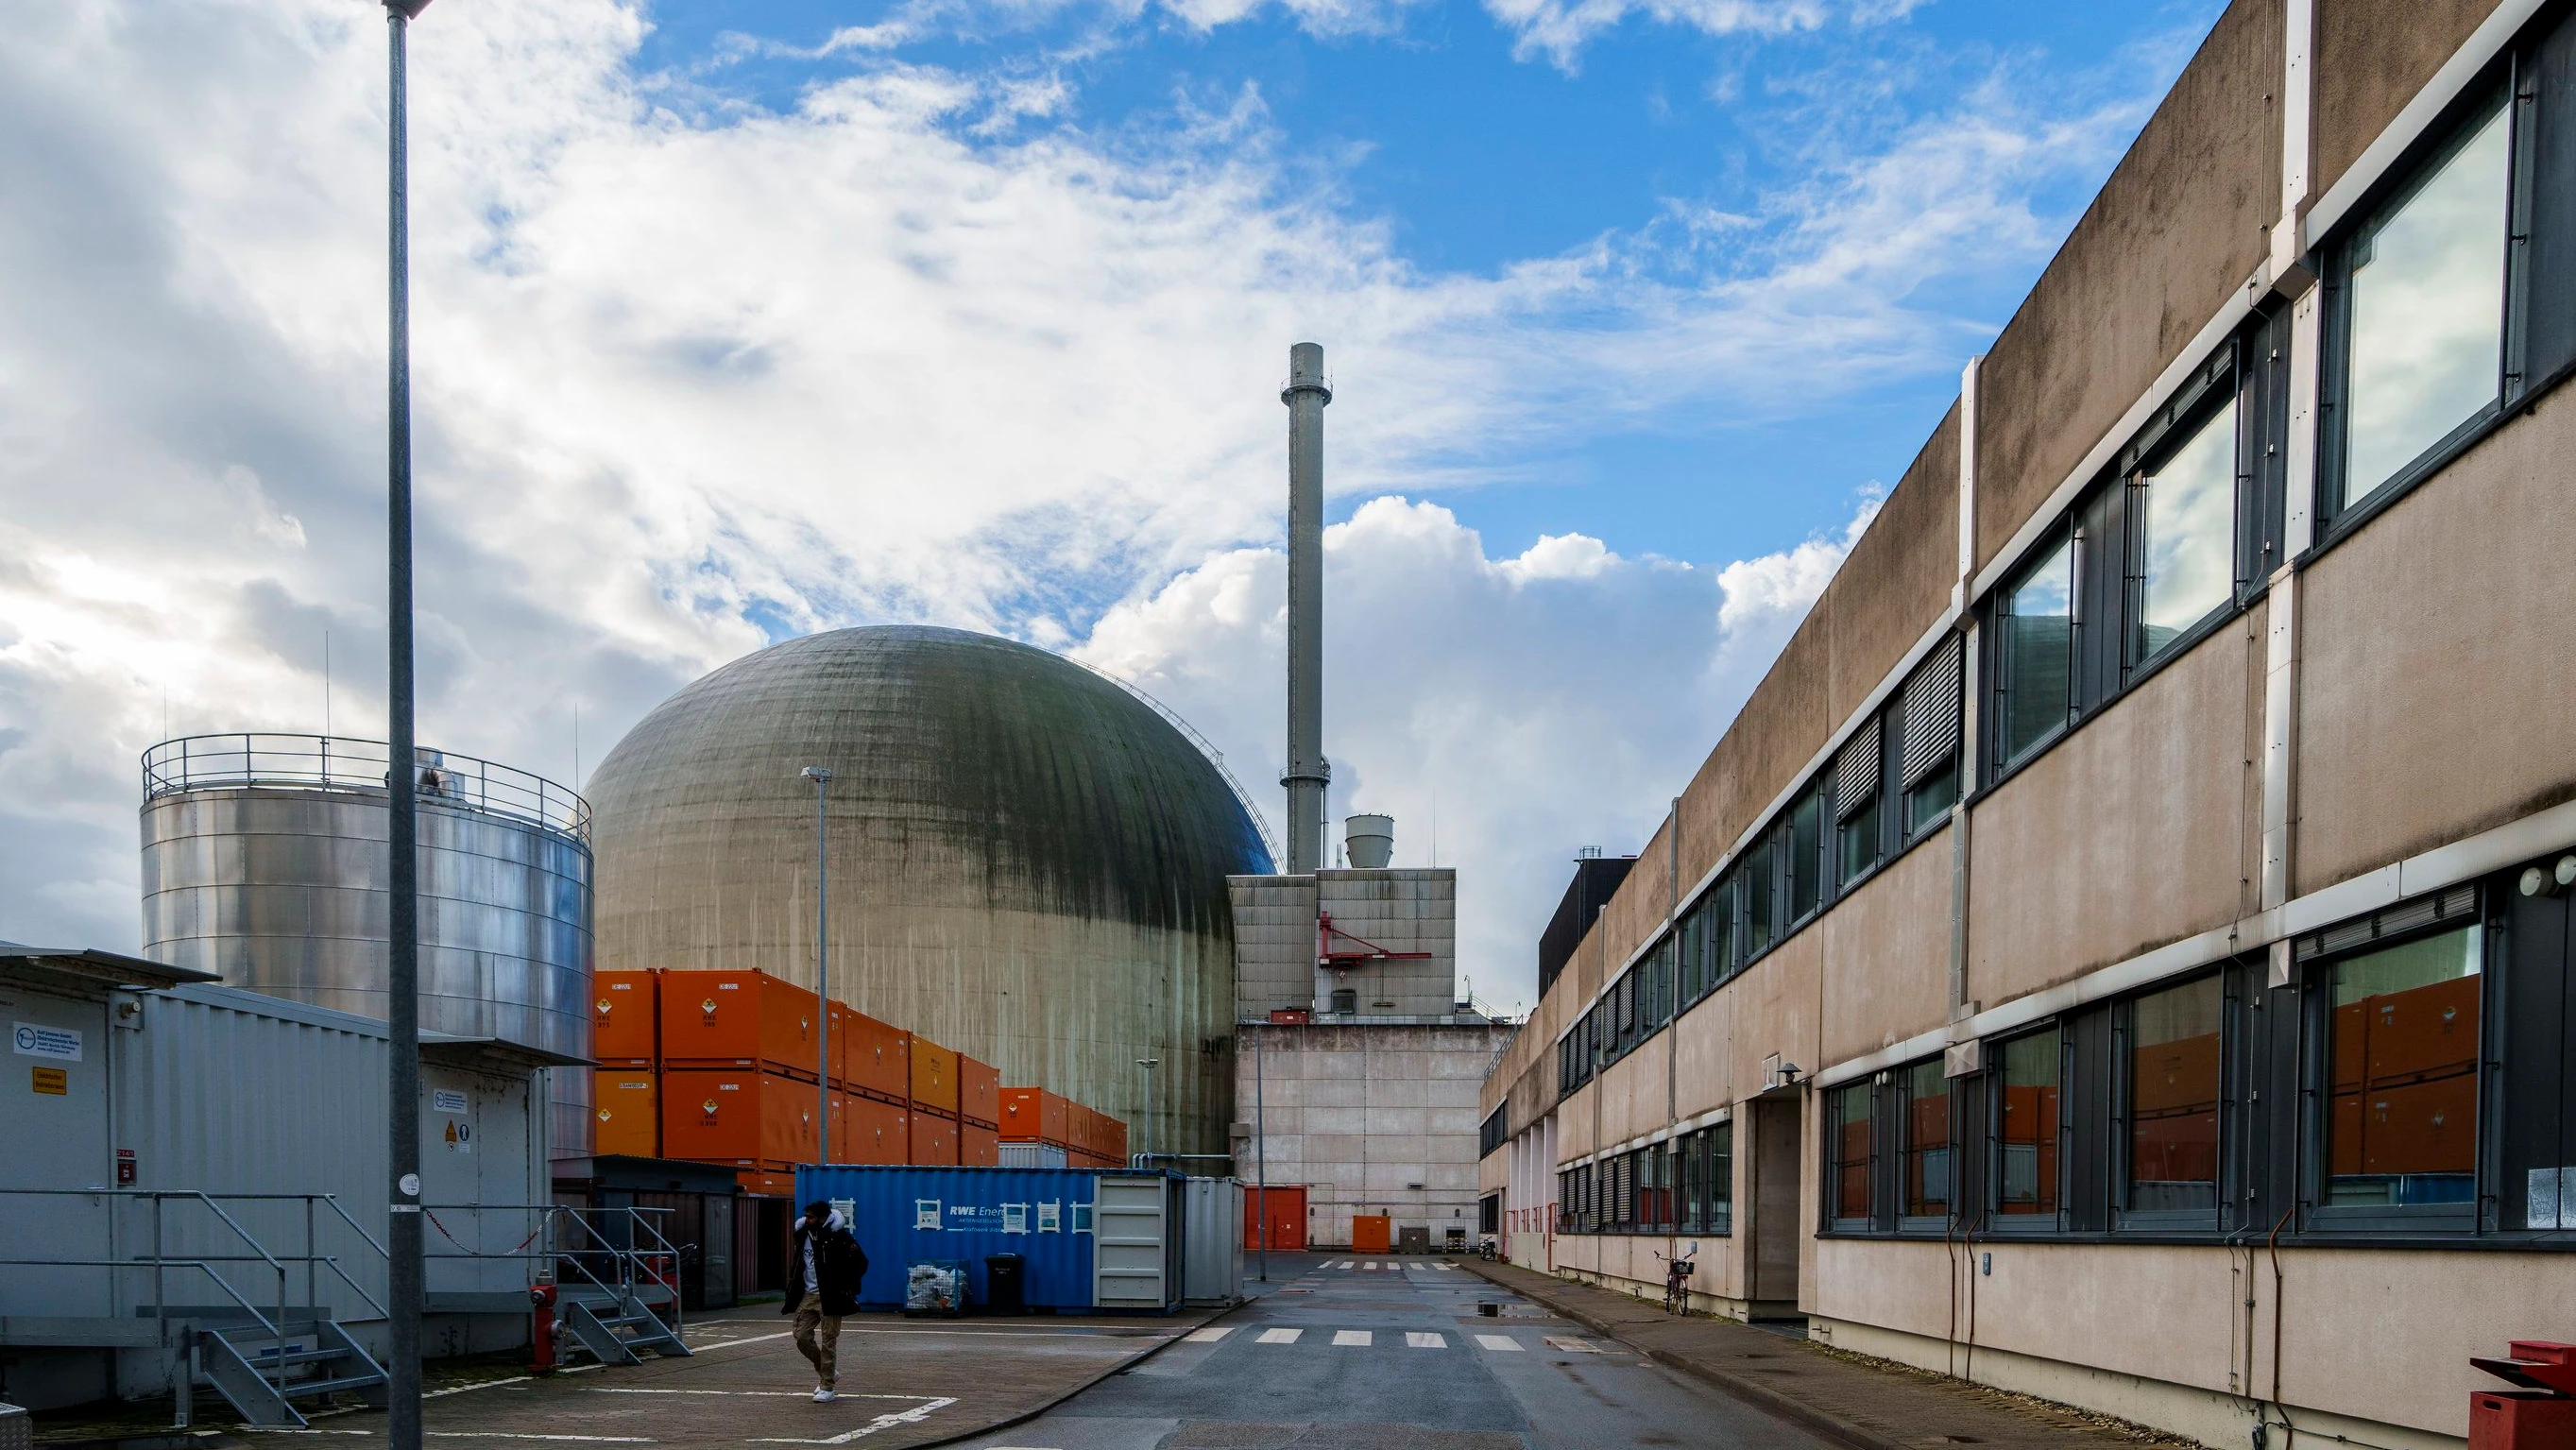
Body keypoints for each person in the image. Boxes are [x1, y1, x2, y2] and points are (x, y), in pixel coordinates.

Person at [782, 1201, 867, 1403]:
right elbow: (798, 1264)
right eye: (806, 1217)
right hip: (808, 1295)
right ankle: (827, 1370)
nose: (807, 1220)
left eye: (811, 1217)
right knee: (801, 1336)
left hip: (831, 1296)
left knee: (829, 1340)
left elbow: (861, 1262)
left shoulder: (839, 1237)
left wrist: (843, 1285)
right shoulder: (803, 1235)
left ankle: (827, 1386)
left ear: (822, 1218)